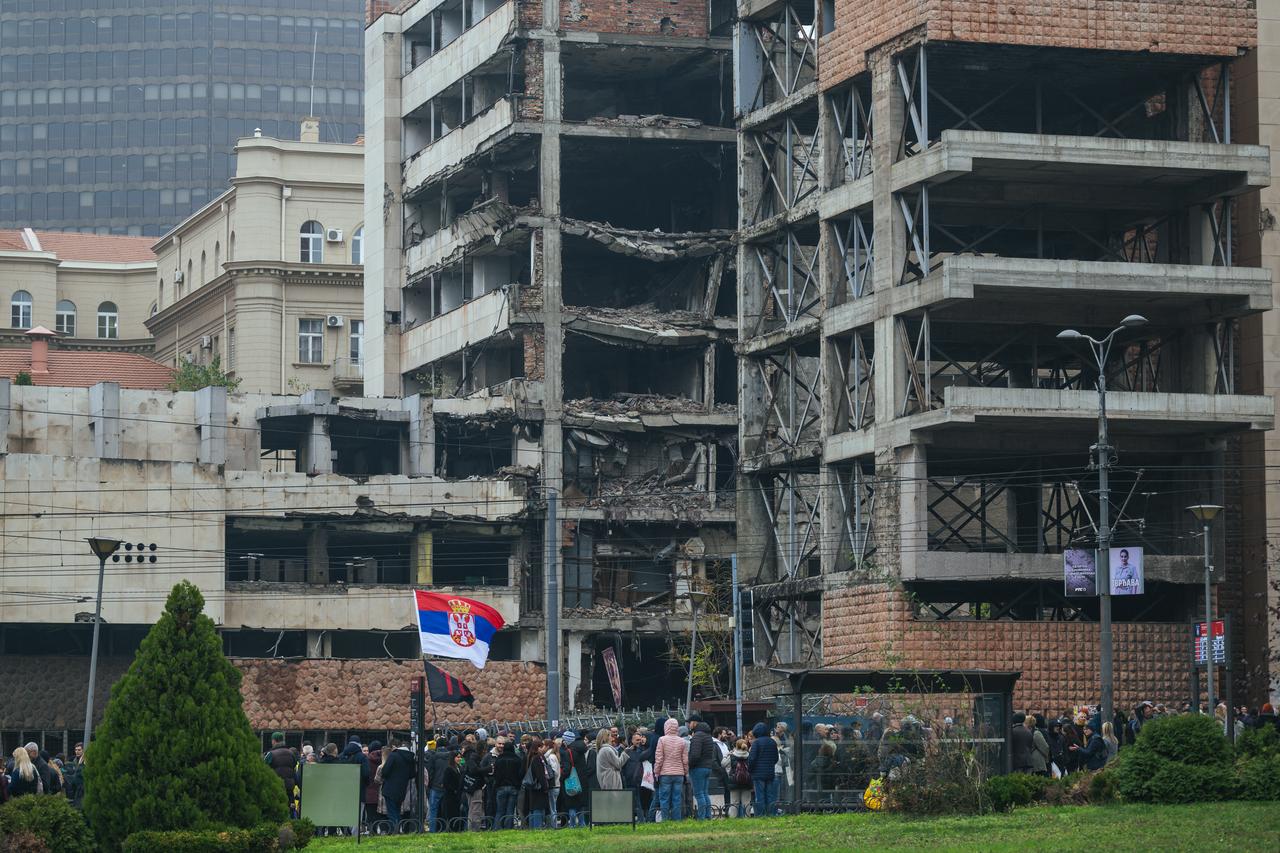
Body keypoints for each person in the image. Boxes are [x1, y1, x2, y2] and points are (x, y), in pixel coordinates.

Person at [378, 739, 417, 831]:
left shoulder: (393, 755)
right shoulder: (410, 757)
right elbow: (412, 774)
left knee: (392, 812)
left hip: (389, 789)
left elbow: (385, 771)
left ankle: (394, 831)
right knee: (397, 811)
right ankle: (398, 829)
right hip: (402, 789)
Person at [653, 718, 687, 821]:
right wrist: (685, 772)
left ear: (666, 727)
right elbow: (685, 760)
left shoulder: (662, 740)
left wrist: (656, 772)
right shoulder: (682, 741)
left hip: (665, 774)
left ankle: (665, 820)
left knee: (664, 799)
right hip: (679, 774)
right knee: (677, 798)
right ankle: (677, 820)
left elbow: (659, 759)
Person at [487, 737, 523, 830]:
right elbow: (520, 774)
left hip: (501, 787)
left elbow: (496, 774)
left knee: (500, 810)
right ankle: (508, 828)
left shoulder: (499, 759)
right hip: (513, 787)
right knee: (510, 810)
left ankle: (497, 828)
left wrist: (497, 784)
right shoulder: (517, 759)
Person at [747, 722, 779, 817]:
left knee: (759, 796)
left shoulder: (756, 742)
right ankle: (771, 814)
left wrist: (750, 770)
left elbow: (752, 759)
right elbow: (775, 758)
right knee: (770, 796)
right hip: (770, 772)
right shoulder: (772, 742)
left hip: (758, 774)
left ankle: (760, 816)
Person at [686, 720, 717, 819]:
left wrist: (689, 764)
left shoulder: (698, 736)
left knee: (699, 794)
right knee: (705, 793)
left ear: (695, 723)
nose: (689, 724)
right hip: (707, 767)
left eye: (690, 722)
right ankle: (708, 816)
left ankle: (701, 818)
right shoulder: (708, 736)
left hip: (698, 768)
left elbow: (695, 755)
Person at [523, 738, 550, 829]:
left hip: (532, 786)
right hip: (538, 787)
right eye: (541, 746)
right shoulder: (537, 758)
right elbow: (540, 774)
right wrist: (545, 787)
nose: (543, 748)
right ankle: (537, 828)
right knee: (538, 808)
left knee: (533, 808)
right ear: (538, 748)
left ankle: (533, 828)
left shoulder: (530, 757)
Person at [722, 737, 752, 817]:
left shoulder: (732, 756)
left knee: (734, 803)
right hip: (747, 781)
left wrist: (726, 755)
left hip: (734, 781)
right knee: (746, 802)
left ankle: (733, 819)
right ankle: (747, 818)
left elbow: (723, 764)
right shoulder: (749, 756)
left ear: (736, 746)